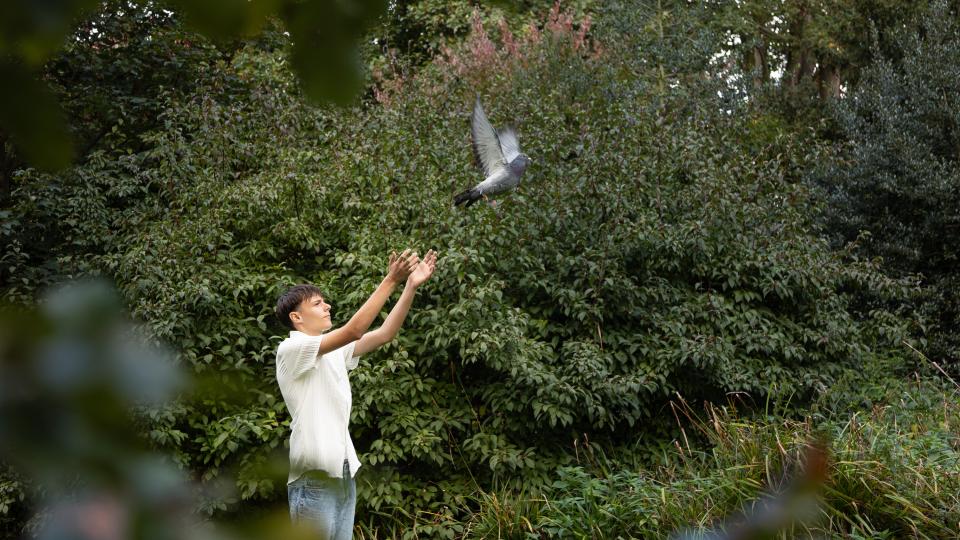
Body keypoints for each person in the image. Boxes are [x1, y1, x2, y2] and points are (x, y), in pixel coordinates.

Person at [273, 249, 438, 539]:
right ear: (296, 317)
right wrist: (391, 279)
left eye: (325, 301)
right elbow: (354, 330)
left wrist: (410, 286)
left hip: (343, 474)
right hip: (313, 478)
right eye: (318, 303)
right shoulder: (291, 349)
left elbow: (384, 333)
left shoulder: (333, 350)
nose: (327, 306)